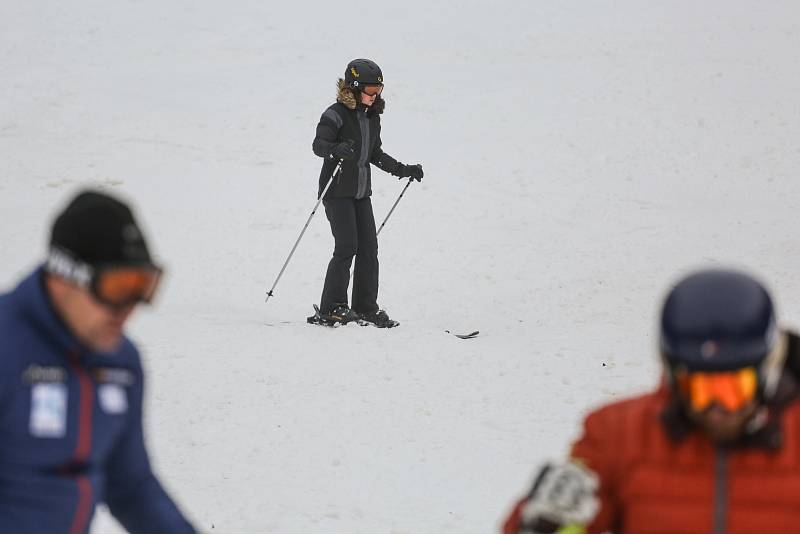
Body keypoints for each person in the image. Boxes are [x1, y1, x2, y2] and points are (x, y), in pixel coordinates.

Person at [502, 269, 800, 533]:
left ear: (768, 372)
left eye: (734, 389)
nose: (717, 409)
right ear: (672, 375)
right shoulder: (617, 435)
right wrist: (545, 523)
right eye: (698, 389)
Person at [0, 190, 196, 533]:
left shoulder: (120, 364)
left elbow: (131, 488)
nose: (129, 309)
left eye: (142, 286)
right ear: (63, 276)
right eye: (117, 287)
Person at [309, 58, 424, 328]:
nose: (376, 97)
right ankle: (332, 307)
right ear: (354, 87)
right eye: (371, 91)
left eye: (379, 92)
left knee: (369, 248)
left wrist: (402, 169)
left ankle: (365, 308)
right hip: (336, 191)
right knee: (347, 246)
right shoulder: (335, 114)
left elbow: (374, 153)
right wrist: (334, 149)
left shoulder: (372, 118)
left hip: (361, 193)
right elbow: (318, 144)